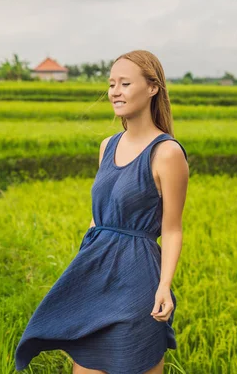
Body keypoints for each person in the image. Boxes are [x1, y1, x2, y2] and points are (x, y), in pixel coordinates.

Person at [14, 50, 189, 374]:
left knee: (133, 362)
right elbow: (99, 216)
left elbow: (173, 229)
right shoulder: (107, 145)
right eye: (111, 84)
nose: (115, 92)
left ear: (152, 88)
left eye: (125, 83)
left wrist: (164, 286)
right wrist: (83, 267)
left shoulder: (167, 153)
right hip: (95, 274)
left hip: (138, 281)